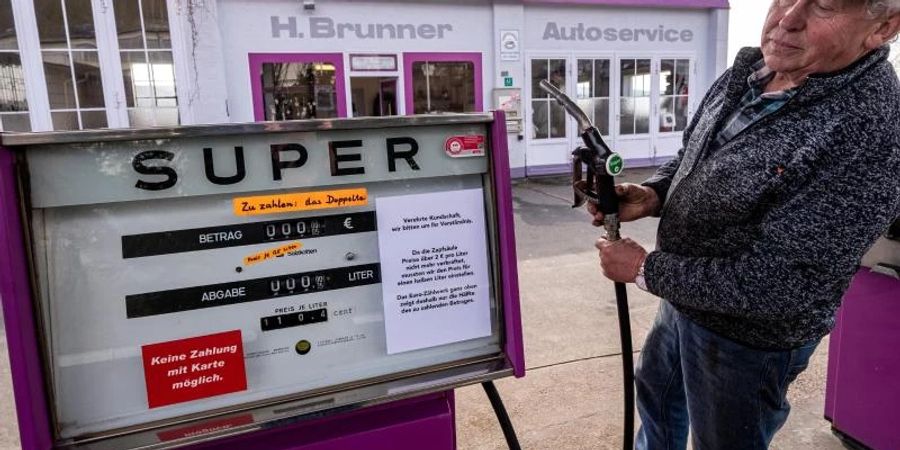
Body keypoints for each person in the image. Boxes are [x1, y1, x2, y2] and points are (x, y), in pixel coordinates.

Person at [589, 1, 900, 449]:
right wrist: (656, 192)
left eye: (825, 5)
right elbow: (697, 151)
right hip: (683, 295)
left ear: (882, 28)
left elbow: (782, 283)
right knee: (656, 397)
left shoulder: (865, 129)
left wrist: (644, 269)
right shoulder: (756, 69)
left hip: (746, 339)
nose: (787, 19)